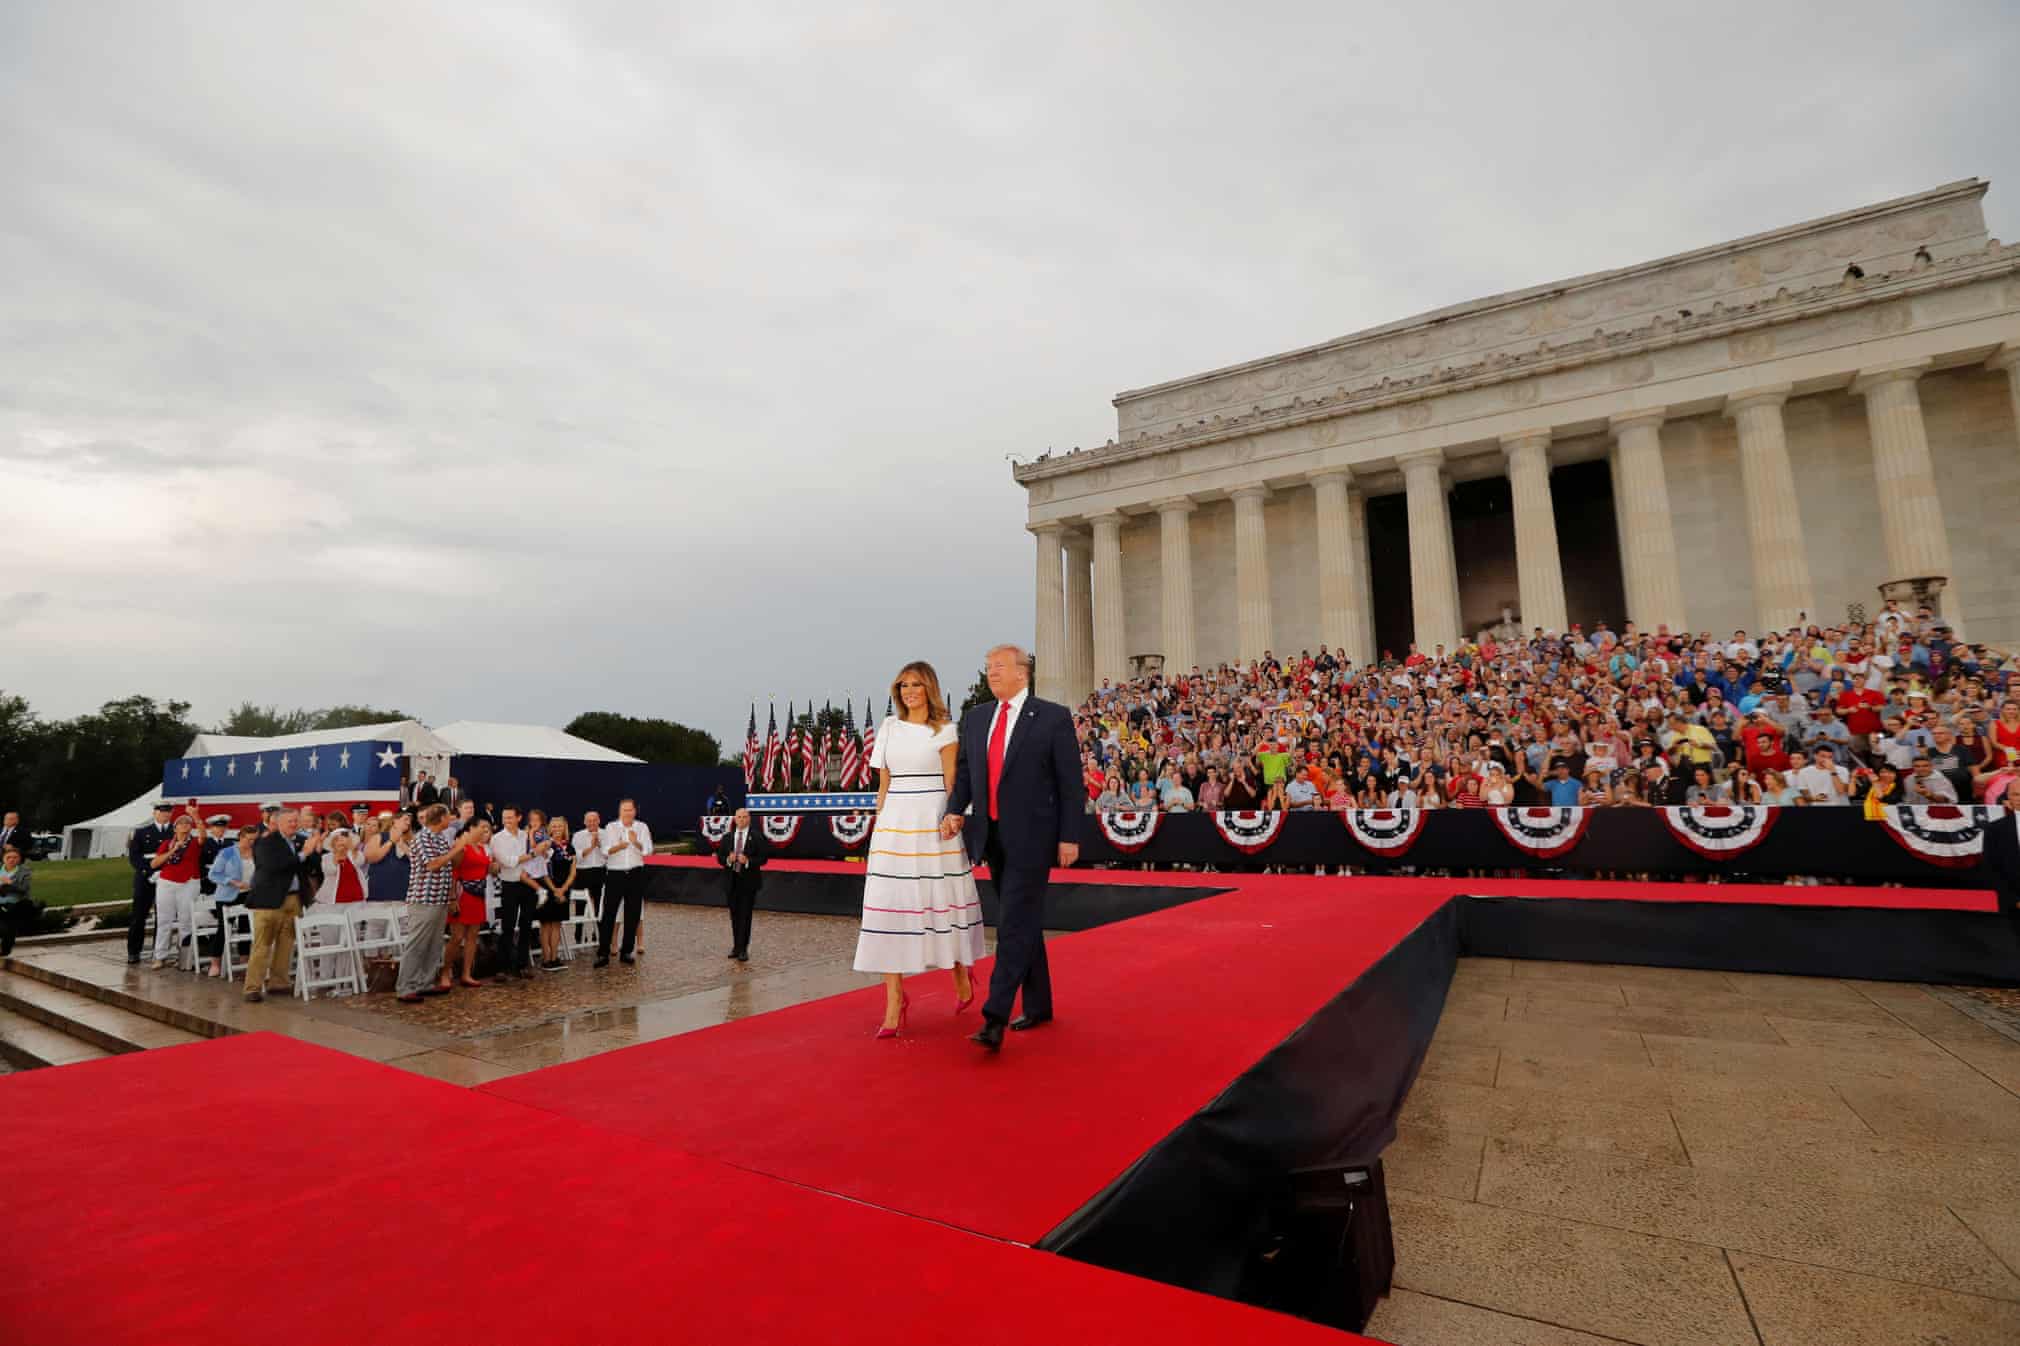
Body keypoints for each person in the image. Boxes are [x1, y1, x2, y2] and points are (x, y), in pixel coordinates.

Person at [942, 643, 1082, 1054]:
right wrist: (955, 811)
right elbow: (967, 774)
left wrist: (1069, 835)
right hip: (992, 836)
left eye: (999, 666)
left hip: (1035, 838)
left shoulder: (1052, 718)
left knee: (1014, 923)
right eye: (987, 667)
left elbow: (1070, 783)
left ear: (1023, 672)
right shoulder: (977, 718)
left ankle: (995, 1016)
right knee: (1023, 920)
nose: (991, 673)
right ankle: (1039, 1005)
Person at [856, 662, 979, 1036]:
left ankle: (961, 972)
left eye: (916, 684)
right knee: (889, 907)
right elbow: (883, 785)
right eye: (903, 685)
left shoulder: (946, 730)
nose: (909, 691)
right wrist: (879, 827)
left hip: (934, 821)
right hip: (894, 824)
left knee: (939, 900)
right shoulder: (889, 728)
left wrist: (953, 820)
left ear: (930, 689)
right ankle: (894, 1000)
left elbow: (951, 783)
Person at [394, 804, 470, 1003]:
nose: (451, 820)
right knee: (417, 943)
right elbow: (433, 864)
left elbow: (453, 863)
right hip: (423, 899)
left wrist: (460, 848)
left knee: (434, 944)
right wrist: (458, 848)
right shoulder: (423, 838)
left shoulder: (441, 838)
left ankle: (424, 983)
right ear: (441, 818)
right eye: (448, 816)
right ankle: (405, 987)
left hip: (440, 898)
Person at [241, 809, 308, 1002]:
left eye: (296, 821)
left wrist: (312, 853)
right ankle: (252, 987)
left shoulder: (297, 842)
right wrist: (304, 854)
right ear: (277, 823)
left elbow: (303, 867)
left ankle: (279, 983)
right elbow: (275, 866)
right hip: (269, 901)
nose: (294, 824)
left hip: (293, 898)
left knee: (286, 943)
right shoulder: (265, 842)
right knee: (263, 944)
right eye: (290, 821)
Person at [595, 800, 652, 966]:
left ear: (635, 811)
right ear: (619, 811)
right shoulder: (611, 827)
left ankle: (627, 951)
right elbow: (605, 850)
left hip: (635, 873)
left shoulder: (642, 827)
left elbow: (648, 850)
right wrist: (619, 846)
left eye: (630, 810)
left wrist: (635, 842)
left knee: (633, 913)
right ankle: (603, 953)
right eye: (624, 810)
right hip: (615, 873)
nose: (627, 813)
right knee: (609, 913)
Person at [148, 811, 205, 970]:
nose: (185, 825)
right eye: (181, 823)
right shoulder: (167, 843)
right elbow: (154, 864)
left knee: (185, 921)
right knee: (164, 921)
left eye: (188, 823)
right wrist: (173, 850)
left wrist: (195, 816)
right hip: (167, 883)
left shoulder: (194, 843)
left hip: (188, 883)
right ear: (175, 828)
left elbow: (203, 836)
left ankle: (184, 958)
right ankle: (160, 956)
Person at [716, 806, 770, 964]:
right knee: (734, 915)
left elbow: (764, 858)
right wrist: (728, 859)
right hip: (731, 881)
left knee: (745, 915)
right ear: (734, 819)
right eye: (739, 817)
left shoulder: (757, 837)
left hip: (748, 881)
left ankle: (743, 948)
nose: (742, 820)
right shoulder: (727, 837)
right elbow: (719, 857)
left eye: (745, 817)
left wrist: (748, 861)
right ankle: (736, 946)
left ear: (749, 819)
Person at [445, 818, 493, 989]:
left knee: (473, 936)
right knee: (457, 937)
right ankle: (445, 972)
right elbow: (452, 873)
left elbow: (488, 869)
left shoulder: (481, 848)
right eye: (482, 827)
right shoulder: (461, 846)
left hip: (479, 895)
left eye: (487, 827)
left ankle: (466, 973)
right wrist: (451, 898)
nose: (485, 830)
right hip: (462, 894)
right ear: (471, 828)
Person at [489, 806, 536, 982]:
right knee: (507, 927)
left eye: (510, 818)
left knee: (526, 925)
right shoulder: (497, 839)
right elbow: (508, 863)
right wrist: (531, 855)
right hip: (509, 885)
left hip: (528, 884)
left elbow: (541, 856)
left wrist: (534, 855)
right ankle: (502, 967)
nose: (506, 821)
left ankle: (522, 965)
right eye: (504, 818)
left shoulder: (527, 836)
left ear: (519, 817)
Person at [125, 801, 175, 966]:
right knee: (139, 916)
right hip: (145, 878)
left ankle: (159, 952)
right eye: (161, 811)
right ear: (154, 813)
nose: (165, 814)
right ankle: (133, 952)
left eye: (168, 811)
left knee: (164, 917)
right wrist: (149, 872)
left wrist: (164, 872)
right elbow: (134, 857)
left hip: (167, 877)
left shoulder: (176, 832)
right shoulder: (141, 832)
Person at [206, 826, 257, 976]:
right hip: (227, 895)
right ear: (241, 837)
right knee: (223, 928)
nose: (252, 842)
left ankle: (244, 961)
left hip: (248, 894)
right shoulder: (227, 852)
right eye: (249, 840)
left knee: (245, 927)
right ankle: (215, 963)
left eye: (255, 840)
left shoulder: (257, 852)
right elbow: (213, 874)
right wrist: (232, 882)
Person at [533, 817, 574, 970]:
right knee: (546, 925)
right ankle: (546, 959)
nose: (557, 829)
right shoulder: (546, 845)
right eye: (554, 826)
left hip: (564, 889)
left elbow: (573, 870)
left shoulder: (570, 847)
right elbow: (543, 870)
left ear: (565, 828)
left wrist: (563, 889)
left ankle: (555, 957)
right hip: (547, 888)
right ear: (550, 828)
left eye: (560, 826)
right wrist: (555, 890)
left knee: (557, 924)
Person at [571, 810, 607, 943]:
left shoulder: (606, 834)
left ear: (599, 821)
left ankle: (599, 935)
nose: (592, 823)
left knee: (600, 905)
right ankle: (578, 935)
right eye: (589, 821)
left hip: (600, 872)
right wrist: (592, 847)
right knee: (580, 906)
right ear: (585, 822)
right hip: (583, 873)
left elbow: (610, 855)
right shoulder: (578, 836)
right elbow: (577, 857)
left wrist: (600, 845)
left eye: (594, 820)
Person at [364, 813, 414, 903]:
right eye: (405, 819)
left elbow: (417, 862)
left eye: (410, 820)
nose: (408, 822)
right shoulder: (379, 837)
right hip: (380, 891)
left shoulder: (410, 841)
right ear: (395, 820)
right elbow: (371, 858)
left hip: (404, 892)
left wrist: (403, 846)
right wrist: (391, 842)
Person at [0, 843, 31, 956]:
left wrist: (10, 883)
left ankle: (5, 951)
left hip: (15, 905)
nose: (12, 860)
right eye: (9, 857)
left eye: (15, 857)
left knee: (10, 928)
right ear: (3, 859)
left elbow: (24, 889)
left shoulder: (24, 872)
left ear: (19, 859)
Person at [322, 828, 369, 903]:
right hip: (336, 895)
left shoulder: (354, 853)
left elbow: (360, 861)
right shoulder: (327, 857)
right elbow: (330, 871)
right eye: (337, 840)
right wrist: (338, 854)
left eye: (343, 840)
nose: (340, 842)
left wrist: (352, 849)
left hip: (356, 892)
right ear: (332, 844)